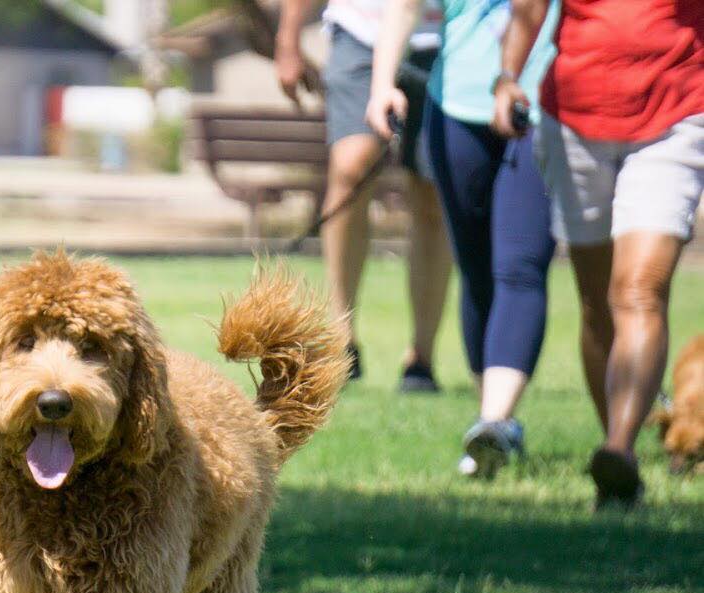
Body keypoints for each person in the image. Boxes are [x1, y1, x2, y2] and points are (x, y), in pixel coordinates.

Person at [494, 0, 704, 508]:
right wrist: (507, 78)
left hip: (675, 111)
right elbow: (528, 7)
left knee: (638, 291)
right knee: (596, 303)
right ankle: (617, 449)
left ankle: (619, 448)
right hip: (575, 118)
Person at [367, 0, 559, 478]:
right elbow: (406, 7)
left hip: (540, 105)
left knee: (519, 264)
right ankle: (491, 422)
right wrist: (382, 85)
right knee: (476, 272)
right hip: (455, 106)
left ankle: (494, 418)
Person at [276, 0, 453, 391]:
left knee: (431, 194)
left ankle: (421, 357)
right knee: (350, 167)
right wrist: (288, 41)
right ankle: (342, 338)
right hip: (360, 30)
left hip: (443, 37)